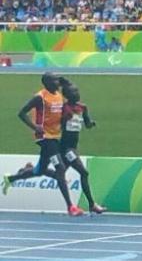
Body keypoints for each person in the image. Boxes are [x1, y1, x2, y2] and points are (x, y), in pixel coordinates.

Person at [2, 73, 83, 216]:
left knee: (40, 171)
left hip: (55, 135)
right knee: (60, 167)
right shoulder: (40, 97)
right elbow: (21, 113)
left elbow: (71, 92)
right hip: (44, 137)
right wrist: (34, 127)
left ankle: (12, 178)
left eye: (58, 80)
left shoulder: (58, 94)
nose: (57, 82)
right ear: (46, 83)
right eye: (54, 80)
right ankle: (71, 207)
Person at [59, 81, 106, 214]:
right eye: (73, 92)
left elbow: (87, 123)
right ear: (67, 95)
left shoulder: (82, 107)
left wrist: (91, 123)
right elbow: (57, 125)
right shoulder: (64, 107)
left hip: (74, 146)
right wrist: (64, 119)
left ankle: (20, 175)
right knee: (84, 172)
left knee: (58, 174)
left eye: (77, 91)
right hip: (66, 148)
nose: (77, 94)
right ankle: (92, 204)